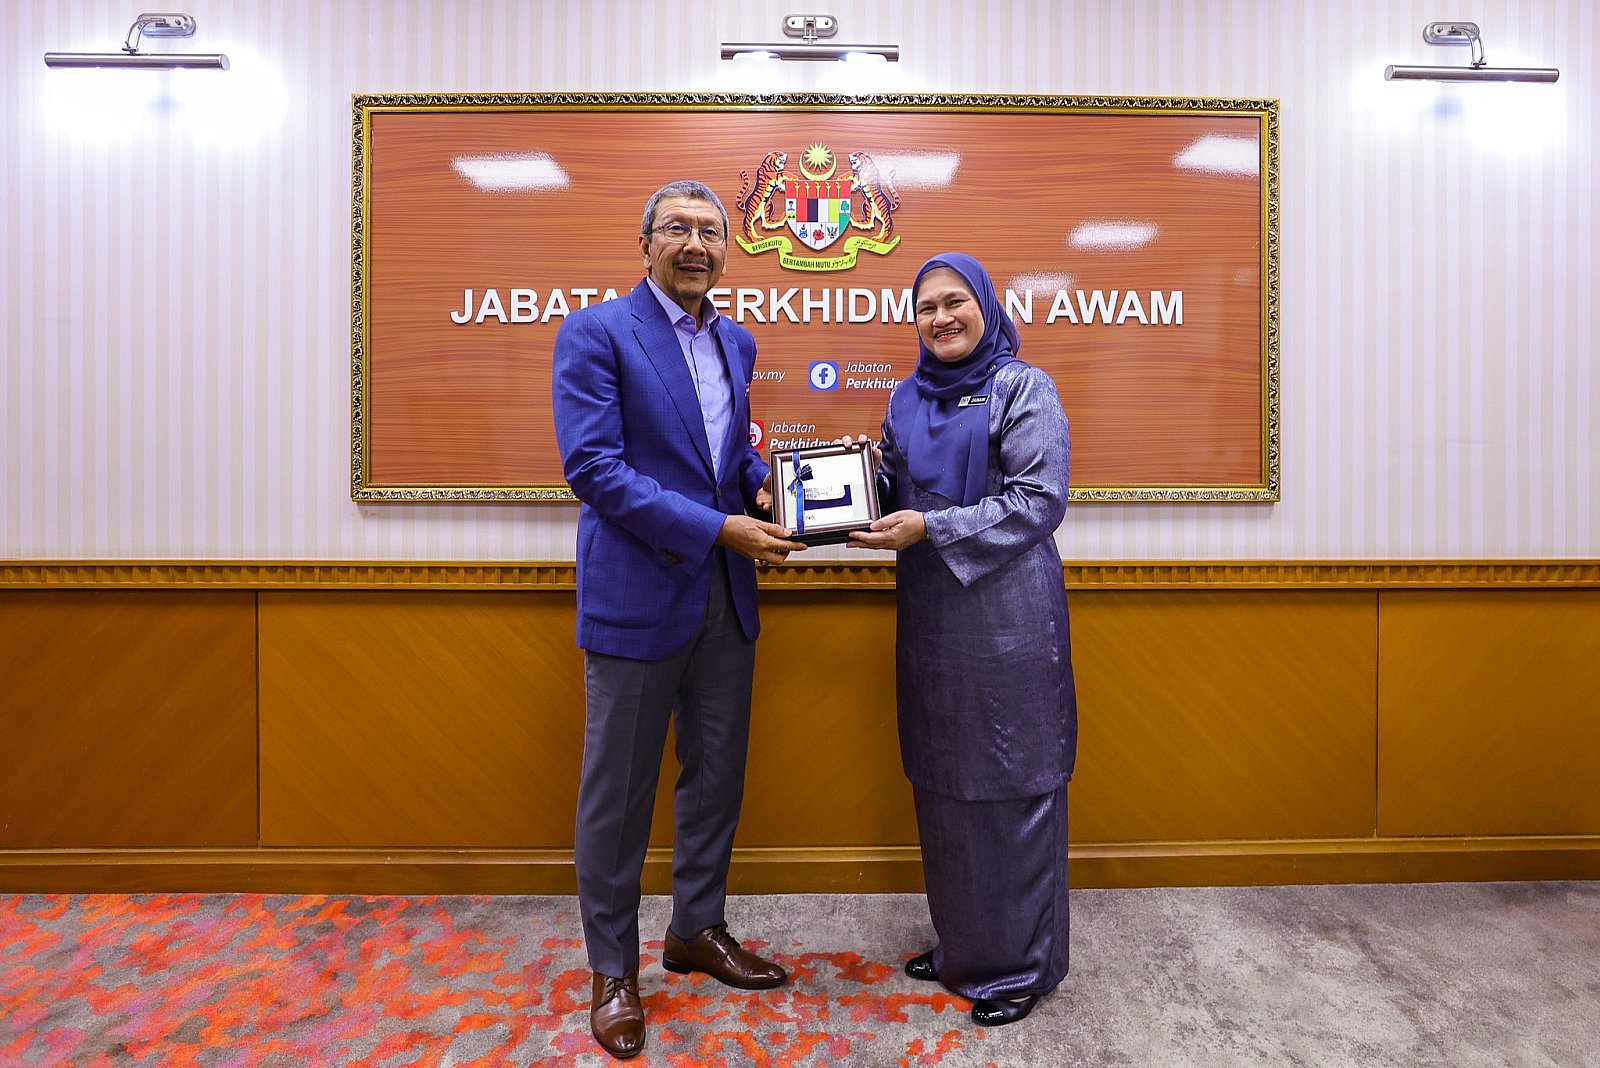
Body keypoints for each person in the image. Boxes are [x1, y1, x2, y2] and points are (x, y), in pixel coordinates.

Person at [551, 180, 806, 1060]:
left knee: (716, 775)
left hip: (725, 598)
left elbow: (728, 460)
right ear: (646, 243)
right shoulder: (596, 333)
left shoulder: (736, 340)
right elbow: (594, 469)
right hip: (638, 595)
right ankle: (613, 970)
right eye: (677, 229)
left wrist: (770, 490)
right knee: (617, 795)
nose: (695, 244)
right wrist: (720, 527)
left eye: (710, 231)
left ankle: (696, 928)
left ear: (727, 250)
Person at [847, 252, 1078, 1027]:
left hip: (1010, 620)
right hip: (932, 619)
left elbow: (1038, 501)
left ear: (984, 305)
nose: (940, 317)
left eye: (955, 302)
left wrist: (929, 526)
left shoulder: (1025, 388)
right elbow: (895, 494)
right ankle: (965, 949)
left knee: (1012, 784)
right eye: (926, 307)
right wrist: (850, 484)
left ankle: (1021, 967)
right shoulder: (904, 397)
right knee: (944, 781)